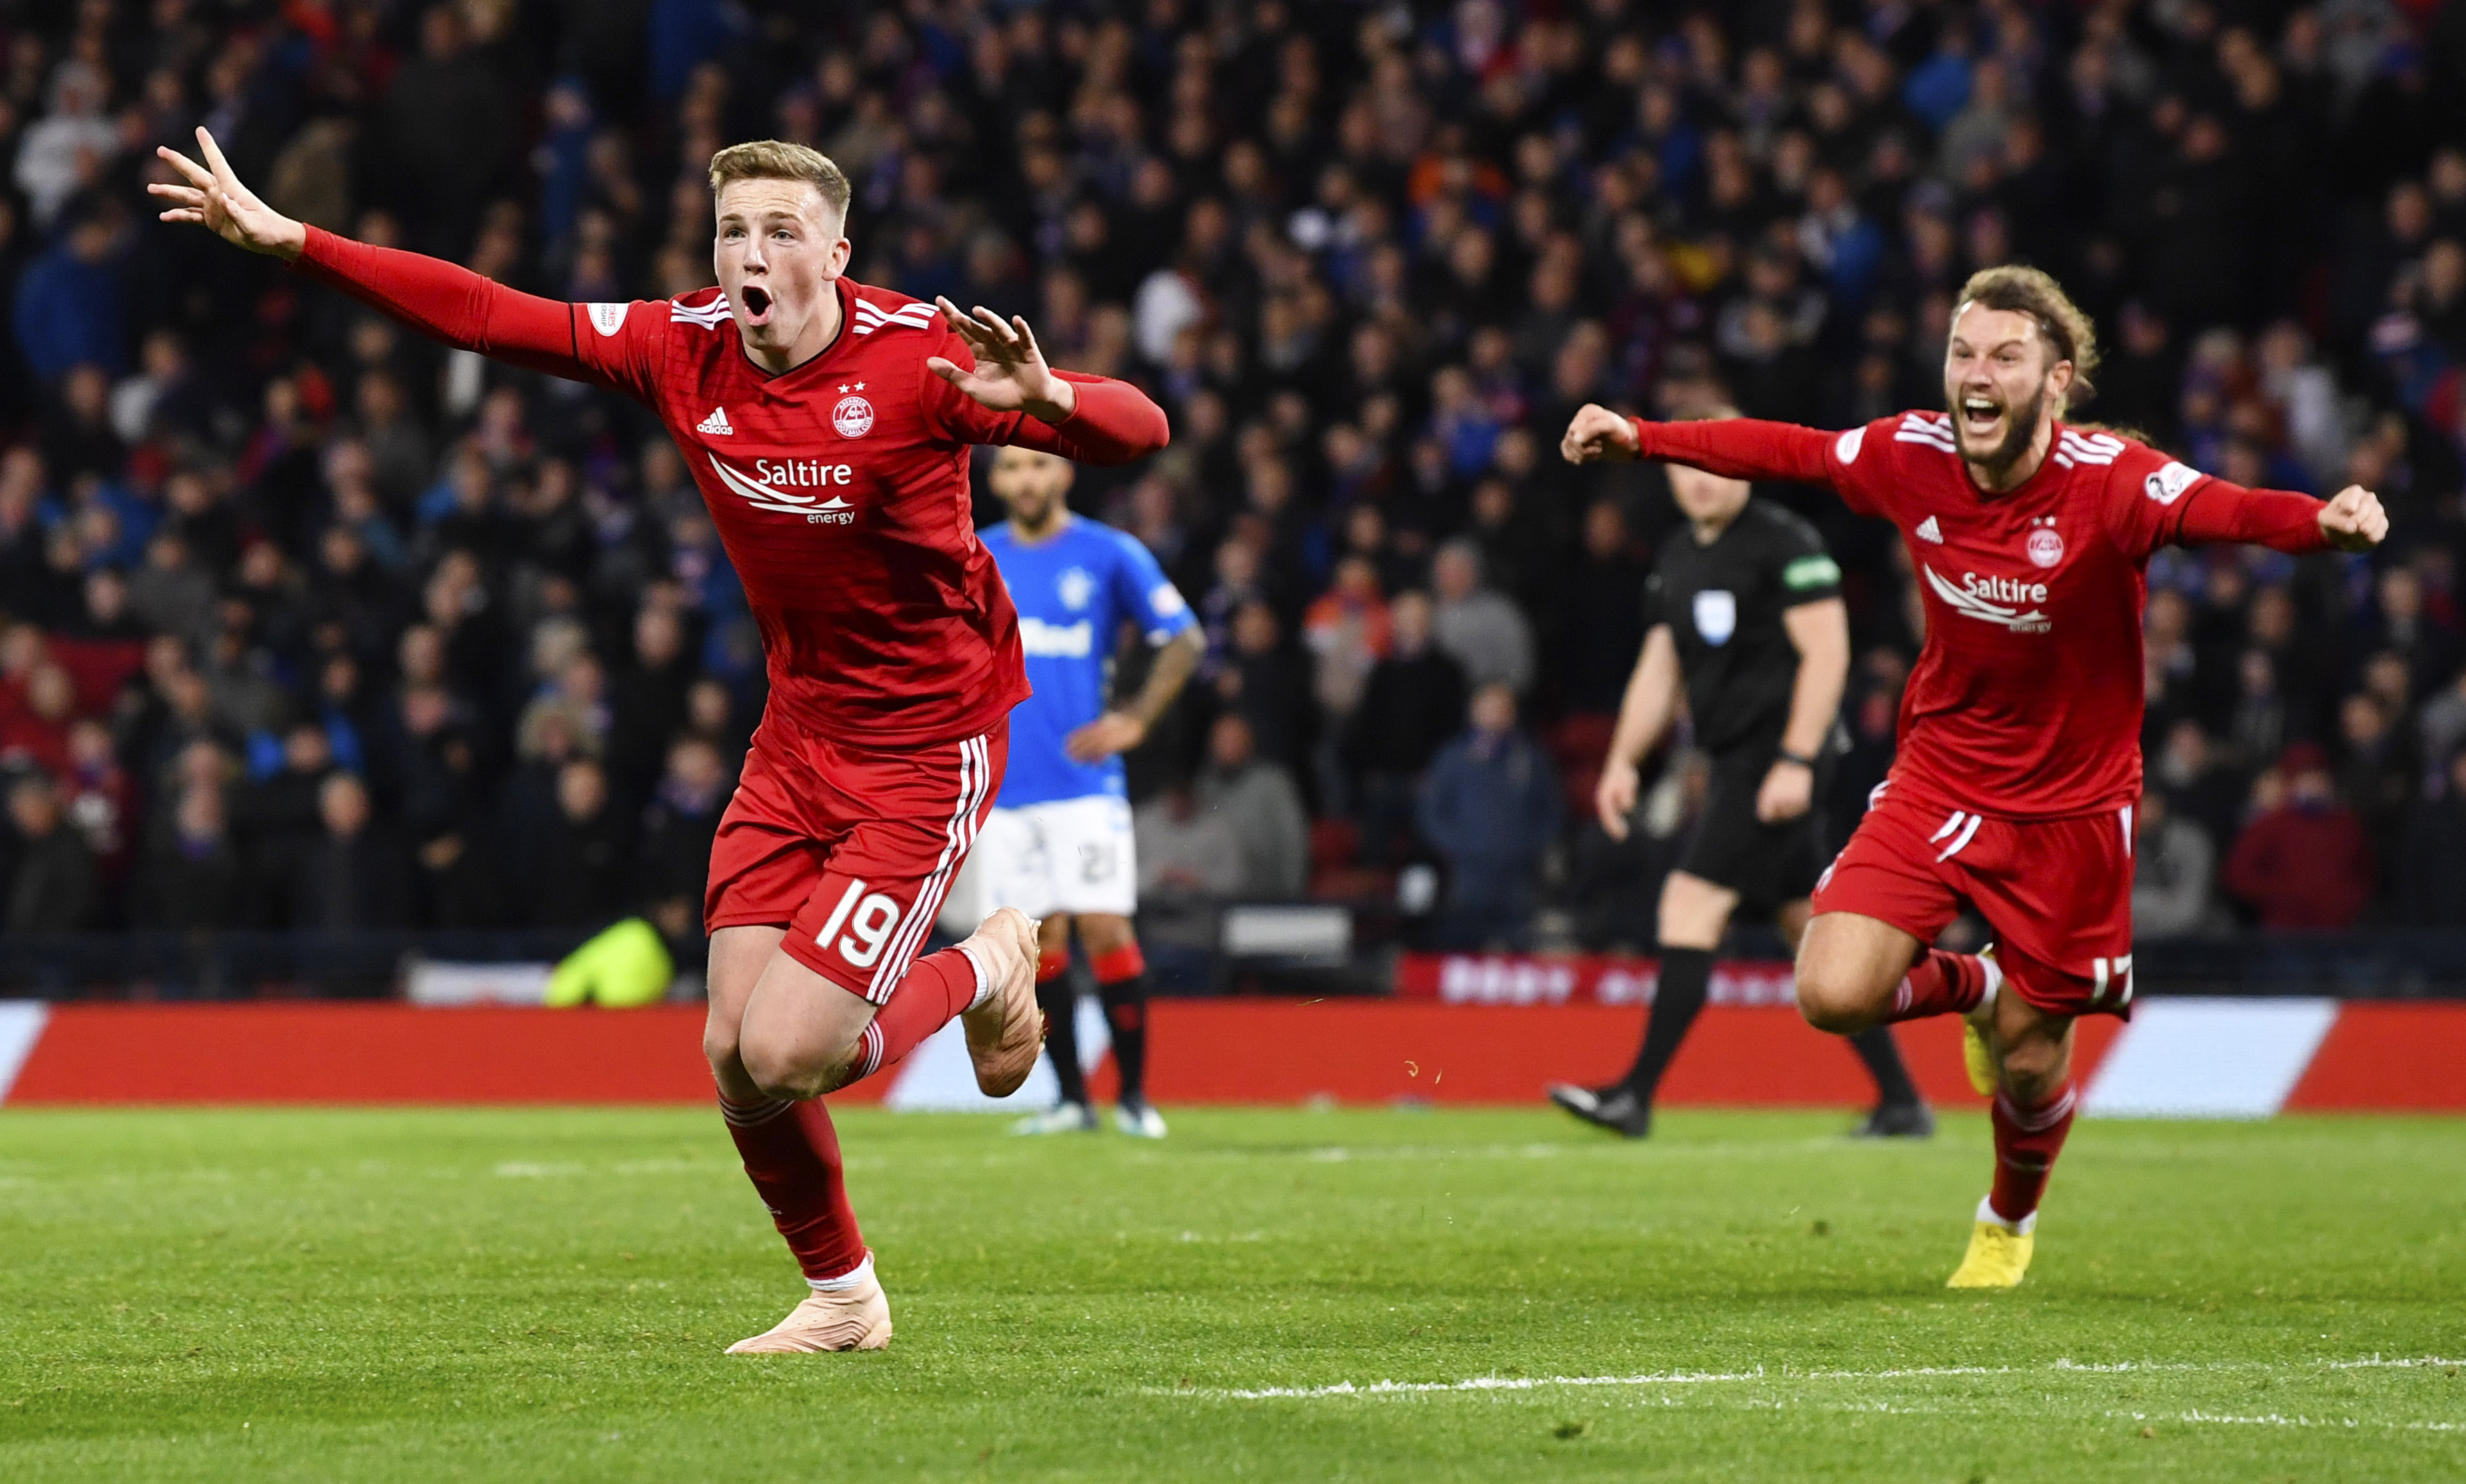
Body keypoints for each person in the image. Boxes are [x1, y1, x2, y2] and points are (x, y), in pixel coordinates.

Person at [150, 128, 1170, 1351]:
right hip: (795, 735)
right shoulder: (677, 343)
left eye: (780, 230)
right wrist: (294, 241)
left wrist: (1050, 396)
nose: (749, 251)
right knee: (732, 1056)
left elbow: (1143, 427)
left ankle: (990, 964)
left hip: (924, 743)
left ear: (836, 255)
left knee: (794, 1047)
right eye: (733, 228)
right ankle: (844, 1297)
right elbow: (485, 313)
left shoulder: (919, 361)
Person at [1561, 264, 2386, 1288]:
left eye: (2004, 354)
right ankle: (1977, 982)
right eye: (1962, 351)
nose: (1975, 373)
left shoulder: (2109, 481)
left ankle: (2005, 1217)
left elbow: (2230, 509)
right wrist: (1645, 436)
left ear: (2058, 378)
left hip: (2074, 810)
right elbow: (1792, 450)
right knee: (1829, 990)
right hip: (1941, 778)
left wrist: (2324, 523)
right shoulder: (1911, 453)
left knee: (2033, 1060)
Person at [1549, 408, 1931, 1141]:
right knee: (1807, 932)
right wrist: (1623, 760)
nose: (1696, 482)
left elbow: (1826, 654)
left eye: (1709, 465)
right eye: (1682, 468)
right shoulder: (1677, 557)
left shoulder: (1784, 544)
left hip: (1774, 760)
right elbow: (1658, 669)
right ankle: (1901, 1102)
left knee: (1687, 905)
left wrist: (1794, 758)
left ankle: (1633, 1097)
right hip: (1733, 761)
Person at [976, 445, 1203, 1139]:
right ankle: (1071, 1099)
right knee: (1038, 940)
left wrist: (1134, 718)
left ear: (1063, 474)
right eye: (1012, 468)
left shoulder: (1108, 552)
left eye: (1037, 466)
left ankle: (1134, 1097)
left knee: (1104, 926)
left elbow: (1183, 639)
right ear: (995, 480)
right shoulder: (974, 557)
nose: (1025, 480)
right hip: (1002, 785)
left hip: (1082, 783)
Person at [1416, 683, 1562, 950]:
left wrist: (1529, 847)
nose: (1495, 715)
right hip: (1468, 873)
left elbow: (1551, 811)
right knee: (1463, 945)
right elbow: (1432, 812)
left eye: (1502, 708)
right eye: (1488, 707)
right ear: (1474, 711)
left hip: (1518, 873)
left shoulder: (1530, 760)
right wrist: (1459, 847)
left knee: (1520, 948)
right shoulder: (1452, 759)